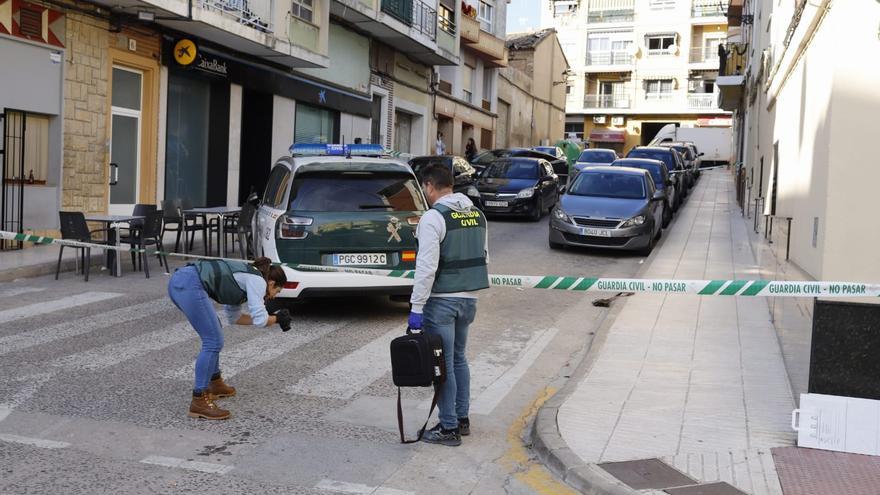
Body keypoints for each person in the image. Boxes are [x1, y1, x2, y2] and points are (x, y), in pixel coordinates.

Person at [409, 163, 489, 446]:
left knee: (442, 365)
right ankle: (462, 418)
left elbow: (426, 267)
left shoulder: (433, 218)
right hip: (470, 300)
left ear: (430, 186)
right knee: (458, 359)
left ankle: (449, 427)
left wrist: (416, 308)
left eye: (424, 188)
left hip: (441, 301)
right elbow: (484, 257)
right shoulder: (477, 215)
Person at [168, 257, 291, 420]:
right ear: (271, 283)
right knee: (213, 341)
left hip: (182, 282)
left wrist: (274, 318)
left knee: (214, 333)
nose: (275, 296)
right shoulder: (258, 281)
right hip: (189, 284)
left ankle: (215, 383)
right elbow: (261, 320)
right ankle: (199, 401)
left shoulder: (245, 279)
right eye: (278, 291)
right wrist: (277, 319)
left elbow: (236, 318)